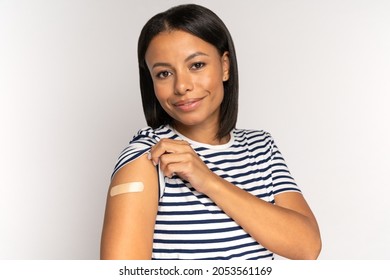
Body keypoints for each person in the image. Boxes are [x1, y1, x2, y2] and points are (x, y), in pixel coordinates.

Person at [100, 3, 321, 260]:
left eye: (196, 65)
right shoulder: (147, 157)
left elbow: (307, 247)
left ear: (225, 66)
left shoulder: (261, 147)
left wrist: (208, 181)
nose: (182, 86)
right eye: (164, 73)